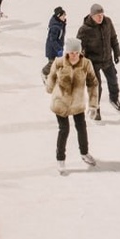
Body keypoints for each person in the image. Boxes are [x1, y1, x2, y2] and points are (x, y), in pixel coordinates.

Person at [46, 37, 99, 174]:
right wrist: (49, 88)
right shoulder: (59, 63)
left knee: (81, 127)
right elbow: (51, 76)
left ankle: (84, 153)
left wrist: (93, 105)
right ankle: (60, 160)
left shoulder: (86, 64)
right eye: (72, 52)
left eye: (77, 52)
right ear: (67, 52)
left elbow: (93, 83)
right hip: (61, 103)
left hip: (77, 103)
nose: (74, 55)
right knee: (64, 129)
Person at [76, 3, 120, 120]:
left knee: (113, 81)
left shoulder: (107, 22)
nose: (100, 18)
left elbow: (113, 38)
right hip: (93, 62)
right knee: (96, 87)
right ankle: (95, 108)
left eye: (102, 15)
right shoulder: (85, 29)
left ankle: (114, 99)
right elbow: (78, 48)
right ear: (92, 16)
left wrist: (117, 52)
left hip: (107, 59)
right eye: (98, 15)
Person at [41, 6, 67, 81]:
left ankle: (54, 78)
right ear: (59, 16)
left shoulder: (60, 24)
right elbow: (52, 40)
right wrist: (58, 49)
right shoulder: (55, 27)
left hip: (57, 48)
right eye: (63, 15)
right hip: (52, 49)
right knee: (53, 63)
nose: (65, 17)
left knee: (58, 64)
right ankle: (44, 72)